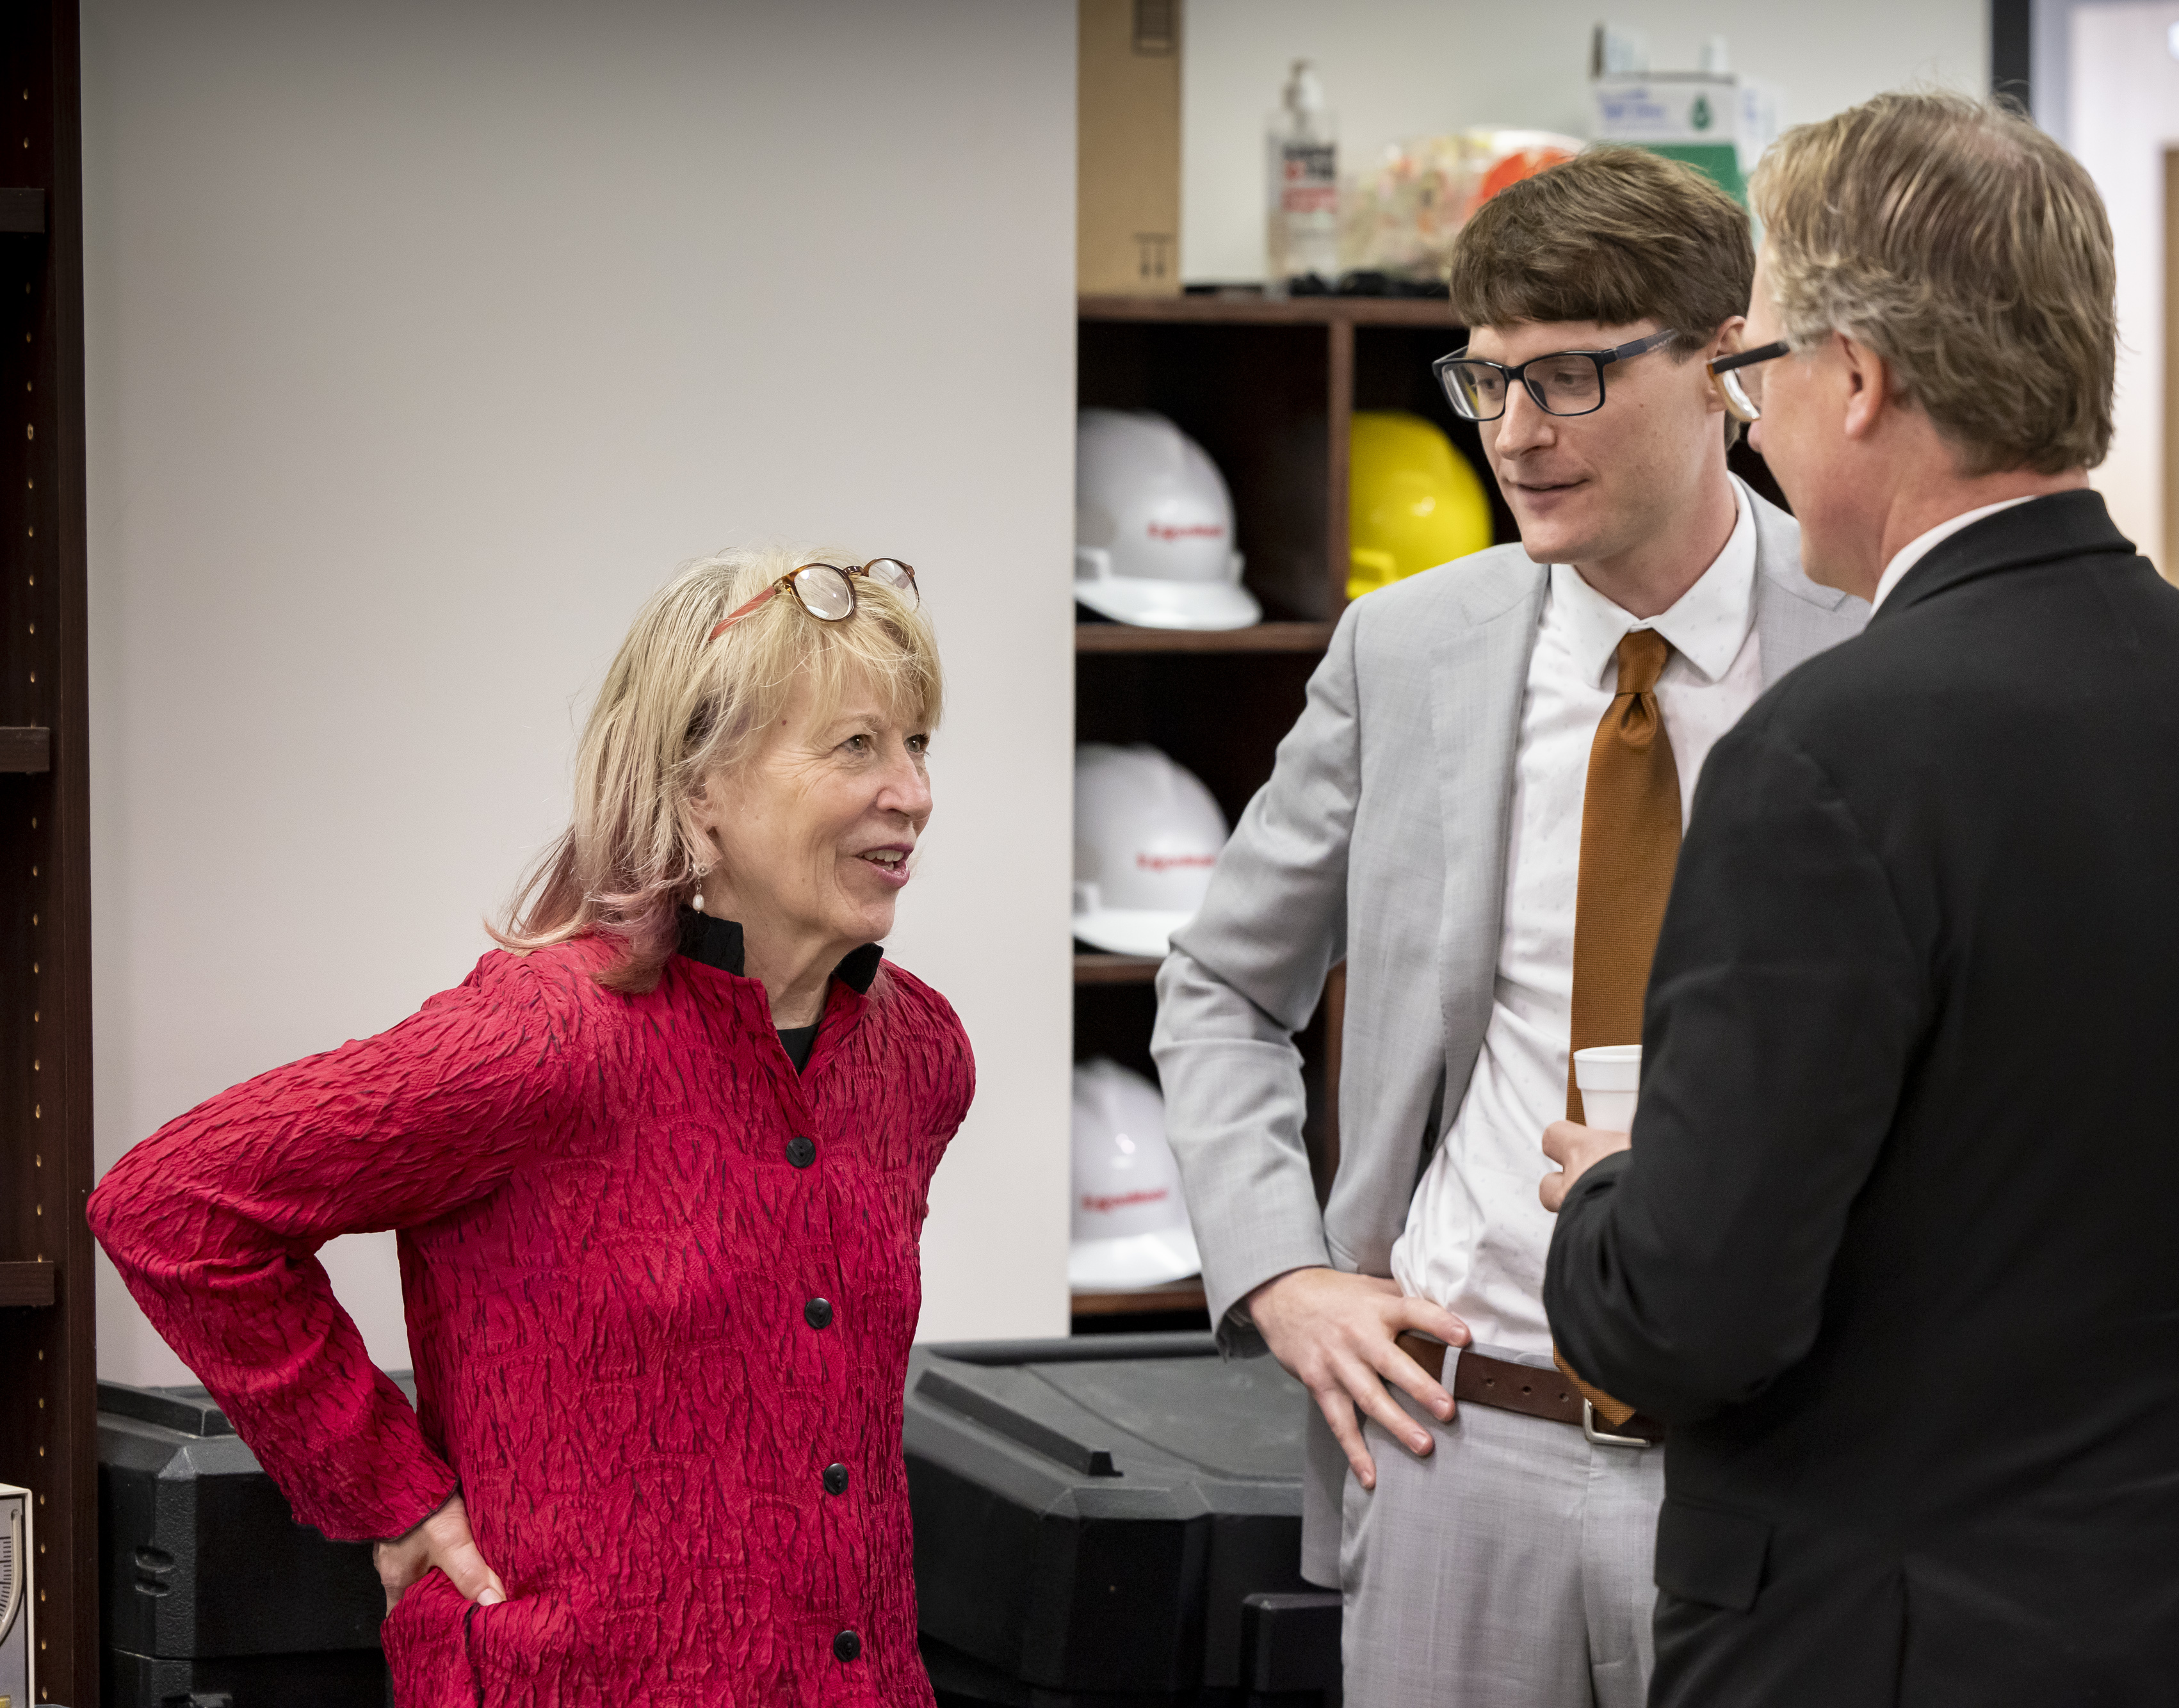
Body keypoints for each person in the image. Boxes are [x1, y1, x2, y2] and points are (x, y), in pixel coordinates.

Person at [1541, 92, 2179, 1705]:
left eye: (1757, 369)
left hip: (1886, 1648)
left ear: (1856, 382)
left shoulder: (1825, 755)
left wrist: (1617, 1194)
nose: (1749, 420)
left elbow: (1684, 1314)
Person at [1153, 147, 1866, 1708]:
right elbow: (1217, 983)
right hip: (1456, 1446)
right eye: (1485, 383)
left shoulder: (1869, 655)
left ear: (1722, 363)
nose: (1516, 437)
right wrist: (1277, 1271)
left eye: (1568, 378)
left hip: (1779, 1466)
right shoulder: (1406, 648)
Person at [90, 548, 971, 1705]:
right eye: (856, 745)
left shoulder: (920, 1056)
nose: (910, 790)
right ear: (697, 786)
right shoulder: (546, 1039)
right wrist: (385, 1487)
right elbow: (171, 1206)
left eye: (916, 744)